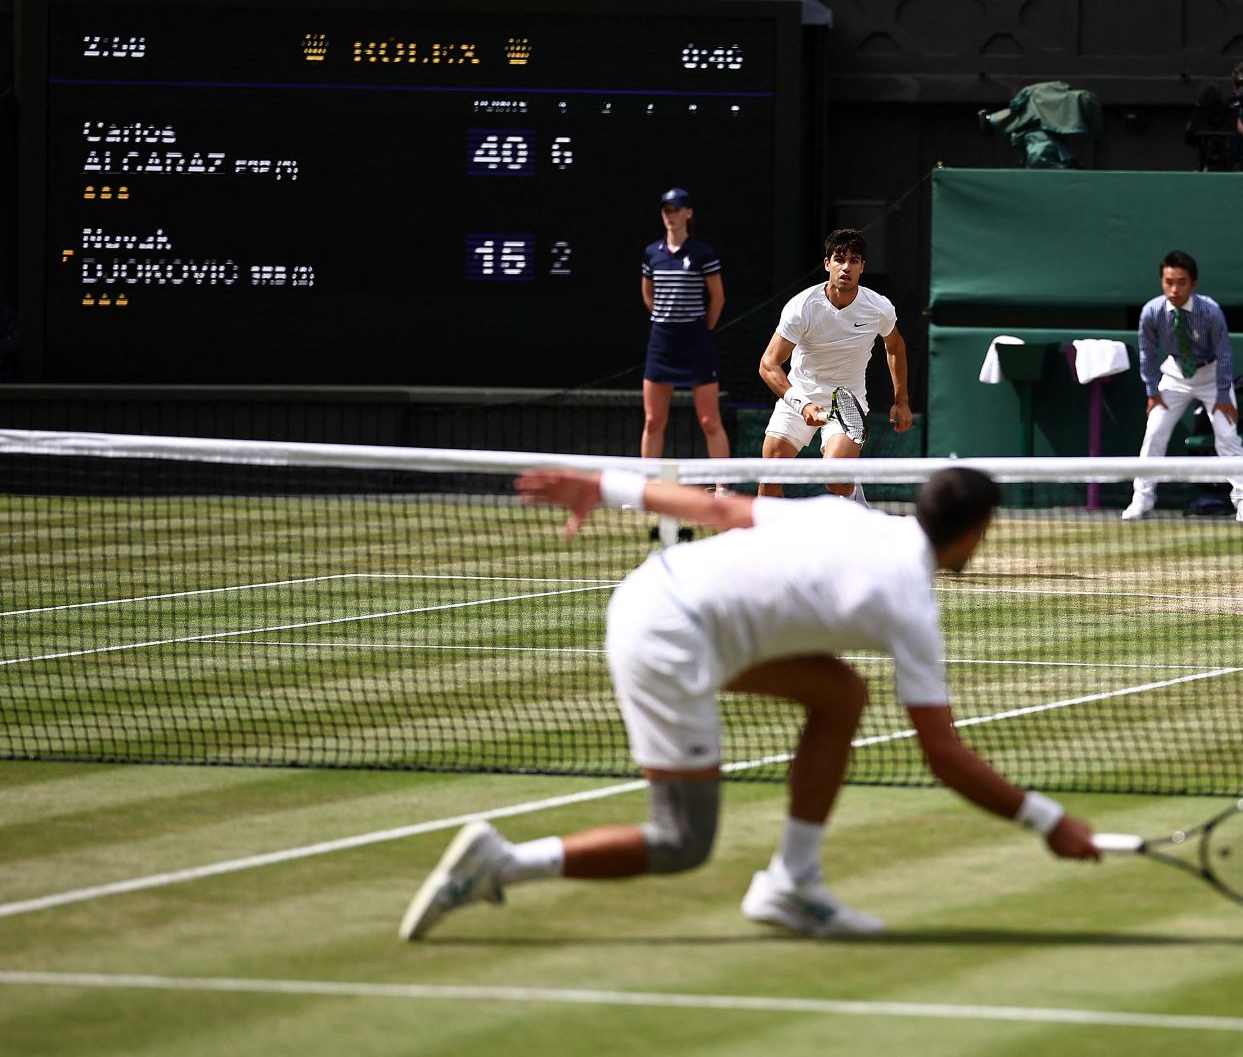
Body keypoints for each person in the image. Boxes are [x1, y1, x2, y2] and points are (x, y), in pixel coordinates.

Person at [398, 465, 1101, 943]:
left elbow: (714, 509)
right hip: (670, 638)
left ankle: (792, 883)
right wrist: (1048, 820)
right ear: (975, 531)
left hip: (654, 590)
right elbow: (941, 754)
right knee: (681, 841)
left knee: (840, 694)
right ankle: (501, 862)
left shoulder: (846, 517)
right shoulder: (911, 606)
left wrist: (601, 484)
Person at [756, 230, 910, 503]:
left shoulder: (878, 308)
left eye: (854, 261)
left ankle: (852, 494)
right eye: (839, 259)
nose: (846, 267)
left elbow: (895, 346)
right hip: (799, 398)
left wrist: (901, 400)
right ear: (827, 264)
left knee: (836, 481)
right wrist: (802, 404)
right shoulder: (801, 307)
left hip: (847, 404)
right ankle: (772, 540)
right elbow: (768, 364)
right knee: (770, 477)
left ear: (862, 267)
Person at [1124, 251, 1243, 524]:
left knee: (1227, 436)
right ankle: (1142, 499)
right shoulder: (1151, 312)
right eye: (1169, 281)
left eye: (1181, 282)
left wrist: (1222, 395)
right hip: (1174, 375)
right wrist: (1152, 392)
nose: (1174, 289)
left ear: (1193, 284)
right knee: (1154, 432)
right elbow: (1147, 354)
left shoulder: (1210, 312)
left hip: (1211, 376)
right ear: (1162, 281)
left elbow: (1224, 355)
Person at [638, 187, 728, 463]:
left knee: (709, 420)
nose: (670, 215)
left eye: (676, 209)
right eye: (666, 210)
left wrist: (701, 329)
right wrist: (666, 319)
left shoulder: (702, 253)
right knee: (653, 421)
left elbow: (718, 299)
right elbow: (648, 294)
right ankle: (649, 488)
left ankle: (723, 487)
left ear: (688, 213)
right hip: (661, 343)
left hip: (695, 341)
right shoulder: (652, 253)